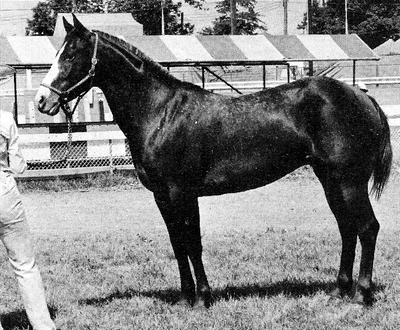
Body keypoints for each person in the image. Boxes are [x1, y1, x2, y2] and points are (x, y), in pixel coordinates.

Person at [0, 110, 56, 330]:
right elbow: (17, 165)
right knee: (25, 264)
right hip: (4, 193)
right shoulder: (5, 119)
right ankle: (43, 325)